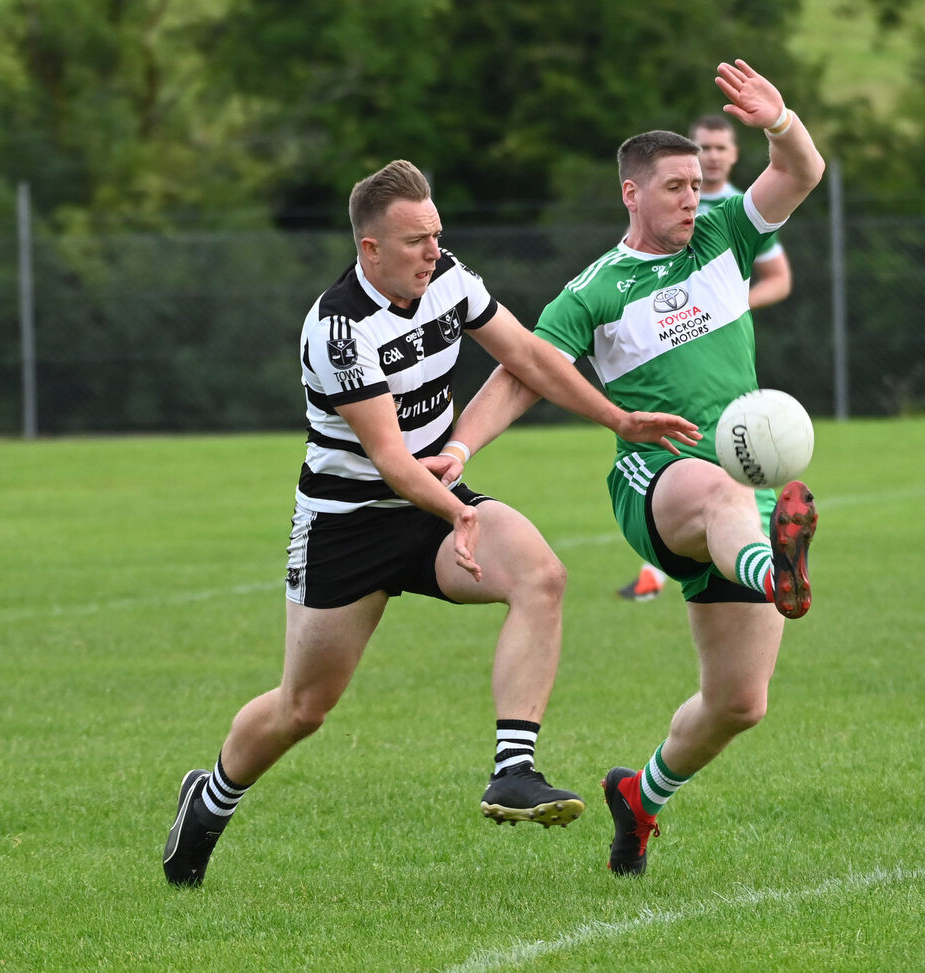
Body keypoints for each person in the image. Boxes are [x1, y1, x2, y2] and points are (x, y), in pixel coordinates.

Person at [162, 160, 699, 887]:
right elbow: (388, 458)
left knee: (542, 574)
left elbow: (528, 358)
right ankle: (211, 797)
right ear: (370, 249)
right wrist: (456, 511)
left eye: (437, 235)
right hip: (349, 525)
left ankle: (514, 770)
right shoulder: (339, 329)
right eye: (415, 240)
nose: (432, 251)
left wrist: (618, 416)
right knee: (304, 707)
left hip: (436, 504)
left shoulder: (448, 277)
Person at [431, 60, 823, 877]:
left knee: (737, 704)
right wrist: (462, 449)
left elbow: (801, 171)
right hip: (657, 481)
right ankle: (773, 568)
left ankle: (640, 797)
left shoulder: (727, 235)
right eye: (676, 186)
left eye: (696, 183)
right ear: (631, 194)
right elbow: (521, 372)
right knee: (715, 487)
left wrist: (779, 121)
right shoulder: (595, 291)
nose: (693, 197)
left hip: (735, 502)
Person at [616, 111, 793, 602]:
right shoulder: (660, 209)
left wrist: (732, 303)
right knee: (697, 482)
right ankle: (675, 567)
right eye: (704, 148)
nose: (690, 195)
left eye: (719, 150)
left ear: (735, 154)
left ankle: (752, 562)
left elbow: (780, 276)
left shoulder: (739, 210)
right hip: (662, 447)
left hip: (727, 352)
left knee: (736, 685)